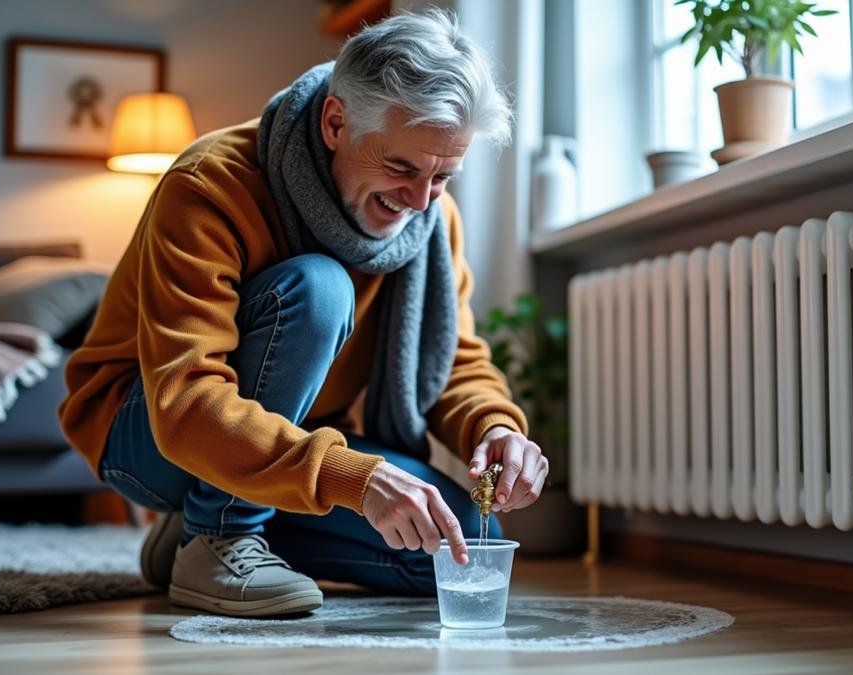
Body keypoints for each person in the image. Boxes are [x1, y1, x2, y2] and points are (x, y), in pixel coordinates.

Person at [58, 9, 548, 618]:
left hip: (292, 436)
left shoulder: (429, 217)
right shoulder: (210, 184)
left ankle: (190, 535)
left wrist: (496, 430)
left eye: (443, 176)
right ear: (336, 121)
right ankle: (217, 533)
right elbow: (183, 401)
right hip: (147, 435)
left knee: (458, 552)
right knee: (320, 290)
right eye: (400, 167)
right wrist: (354, 478)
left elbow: (455, 363)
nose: (420, 200)